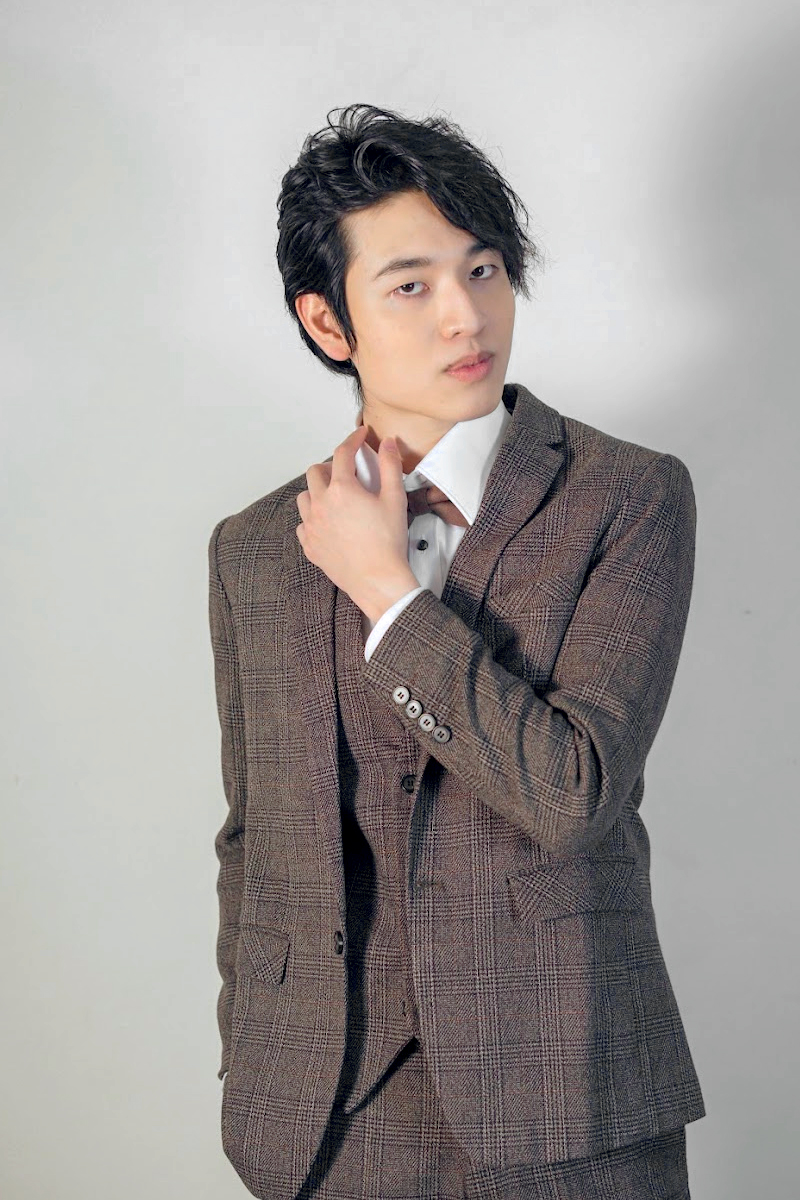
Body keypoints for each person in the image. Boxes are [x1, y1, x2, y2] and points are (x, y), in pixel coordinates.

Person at [207, 103, 705, 1200]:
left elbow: (572, 789)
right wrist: (255, 1063)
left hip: (568, 1100)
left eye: (483, 270)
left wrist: (386, 593)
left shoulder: (626, 498)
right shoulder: (254, 549)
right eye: (410, 285)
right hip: (326, 1119)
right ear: (327, 323)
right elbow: (255, 837)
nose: (464, 316)